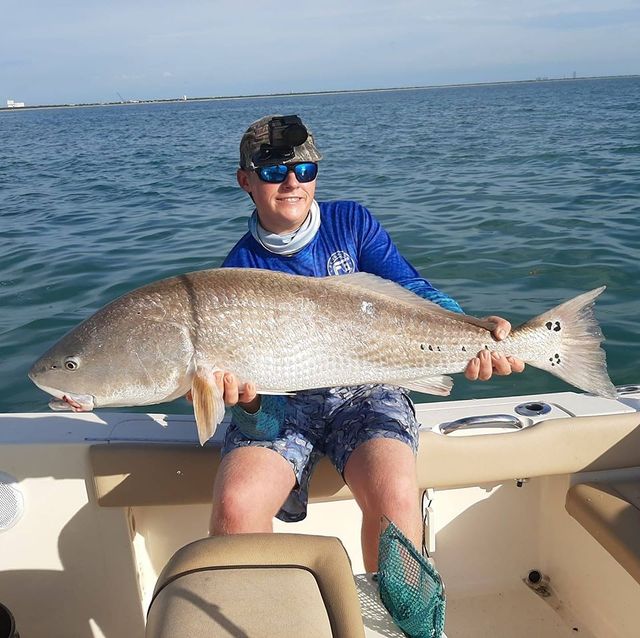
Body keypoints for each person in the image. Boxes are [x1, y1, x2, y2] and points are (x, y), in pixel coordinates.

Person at [207, 114, 524, 572]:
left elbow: (414, 291)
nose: (293, 181)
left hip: (369, 387)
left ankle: (397, 618)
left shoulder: (351, 222)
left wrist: (471, 329)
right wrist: (251, 403)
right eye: (275, 171)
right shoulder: (234, 275)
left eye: (305, 169)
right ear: (246, 181)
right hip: (284, 405)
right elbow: (261, 422)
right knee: (235, 507)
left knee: (395, 497)